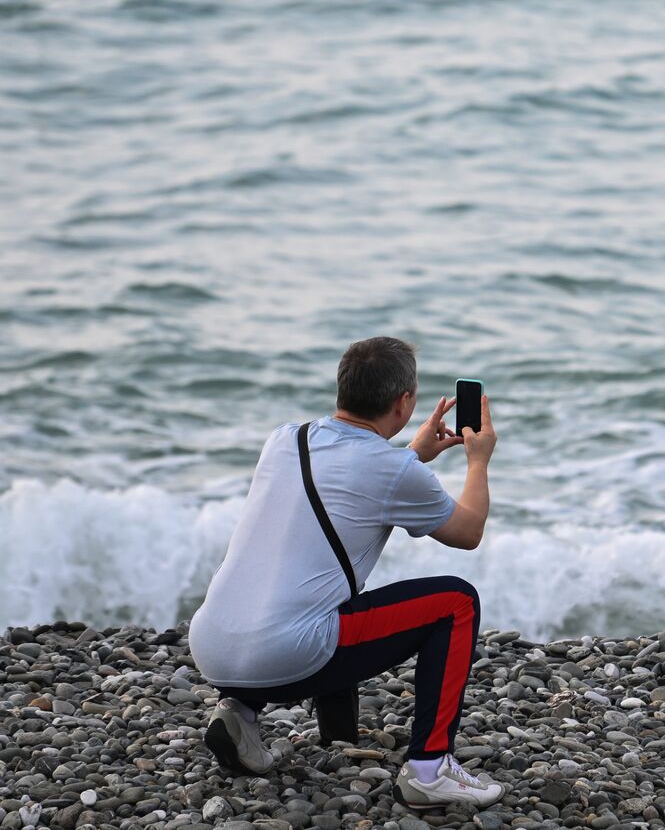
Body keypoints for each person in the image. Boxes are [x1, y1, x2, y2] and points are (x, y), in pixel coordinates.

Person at [188, 336, 504, 809]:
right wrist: (478, 460)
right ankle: (429, 769)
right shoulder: (392, 469)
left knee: (315, 586)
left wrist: (410, 454)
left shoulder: (284, 439)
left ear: (342, 390)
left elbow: (354, 478)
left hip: (212, 647)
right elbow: (468, 531)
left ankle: (242, 711)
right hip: (284, 656)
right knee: (456, 602)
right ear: (404, 403)